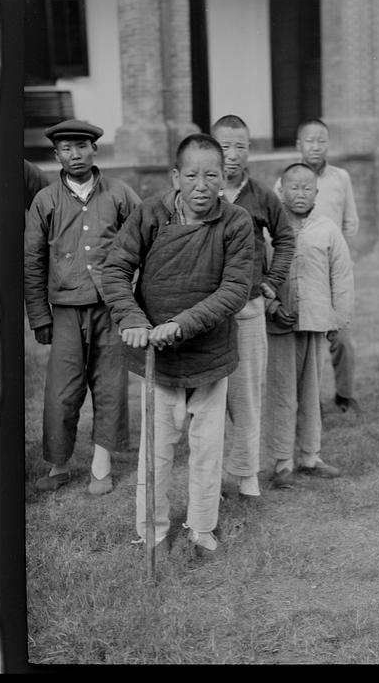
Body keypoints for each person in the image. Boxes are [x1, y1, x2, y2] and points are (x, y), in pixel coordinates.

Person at [101, 133, 254, 559]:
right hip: (156, 357)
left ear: (224, 178)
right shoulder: (150, 213)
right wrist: (132, 319)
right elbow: (115, 270)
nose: (201, 185)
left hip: (210, 355)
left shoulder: (237, 222)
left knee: (207, 449)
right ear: (175, 176)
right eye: (192, 175)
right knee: (157, 451)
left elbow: (235, 289)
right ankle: (152, 529)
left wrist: (182, 324)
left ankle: (202, 528)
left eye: (211, 175)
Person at [24, 119, 141, 495]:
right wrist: (40, 315)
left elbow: (144, 240)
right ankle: (59, 466)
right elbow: (33, 260)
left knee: (109, 386)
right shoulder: (45, 200)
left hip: (111, 308)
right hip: (66, 311)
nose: (75, 155)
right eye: (66, 149)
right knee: (62, 391)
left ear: (95, 150)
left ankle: (101, 467)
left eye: (81, 146)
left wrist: (133, 302)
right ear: (56, 155)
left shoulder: (120, 194)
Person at [211, 115, 295, 499]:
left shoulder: (261, 194)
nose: (232, 154)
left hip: (247, 309)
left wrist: (271, 282)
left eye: (240, 146)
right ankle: (208, 479)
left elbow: (285, 239)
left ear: (250, 150)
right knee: (207, 399)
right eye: (224, 146)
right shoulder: (198, 191)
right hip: (206, 314)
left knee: (246, 397)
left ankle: (246, 476)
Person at [264, 163, 355, 488]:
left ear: (317, 192)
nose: (300, 193)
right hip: (279, 326)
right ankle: (282, 462)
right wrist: (272, 306)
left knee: (311, 392)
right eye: (293, 187)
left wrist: (338, 319)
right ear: (281, 190)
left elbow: (341, 278)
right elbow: (256, 273)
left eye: (307, 187)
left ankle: (309, 456)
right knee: (282, 393)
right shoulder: (267, 230)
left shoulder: (328, 229)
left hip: (316, 323)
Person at [274, 118, 360, 415]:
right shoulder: (286, 180)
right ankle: (308, 402)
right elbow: (276, 227)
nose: (315, 146)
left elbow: (350, 222)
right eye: (309, 141)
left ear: (328, 144)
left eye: (321, 140)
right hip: (299, 269)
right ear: (299, 145)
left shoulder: (340, 178)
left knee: (342, 336)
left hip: (330, 265)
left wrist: (336, 254)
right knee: (305, 342)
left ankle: (345, 395)